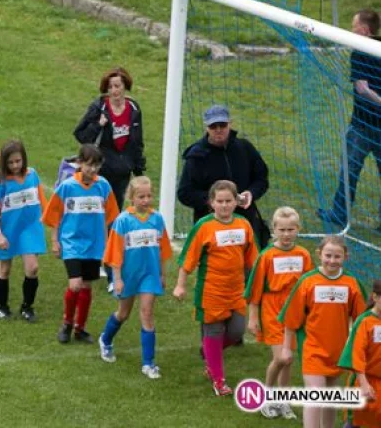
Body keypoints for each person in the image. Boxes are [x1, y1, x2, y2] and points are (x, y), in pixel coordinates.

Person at [173, 180, 259, 397]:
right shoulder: (204, 226)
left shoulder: (244, 225)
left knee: (236, 332)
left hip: (236, 290)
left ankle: (209, 352)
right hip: (211, 291)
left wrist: (260, 282)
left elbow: (253, 259)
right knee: (214, 331)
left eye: (228, 201)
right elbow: (188, 258)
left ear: (236, 202)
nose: (224, 205)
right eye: (219, 201)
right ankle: (219, 381)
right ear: (211, 203)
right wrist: (180, 285)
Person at [279, 236, 367, 428]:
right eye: (328, 255)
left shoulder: (352, 283)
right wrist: (286, 348)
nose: (332, 261)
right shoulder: (307, 282)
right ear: (319, 254)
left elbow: (362, 321)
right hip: (313, 349)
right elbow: (291, 318)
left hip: (338, 350)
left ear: (345, 257)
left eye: (337, 256)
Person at [42, 144, 120, 345]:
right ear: (79, 163)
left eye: (96, 165)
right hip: (72, 243)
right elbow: (54, 214)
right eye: (89, 165)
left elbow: (110, 216)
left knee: (86, 286)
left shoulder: (103, 186)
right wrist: (55, 241)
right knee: (75, 284)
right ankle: (67, 323)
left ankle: (80, 328)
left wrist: (106, 243)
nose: (92, 169)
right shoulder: (68, 187)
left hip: (94, 245)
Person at [99, 176, 173, 379]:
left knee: (147, 313)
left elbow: (162, 250)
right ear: (131, 197)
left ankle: (148, 364)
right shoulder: (123, 221)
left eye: (149, 196)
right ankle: (105, 339)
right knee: (123, 313)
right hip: (128, 275)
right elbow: (115, 253)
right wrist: (117, 279)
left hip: (149, 274)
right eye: (141, 196)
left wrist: (162, 274)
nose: (146, 200)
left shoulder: (157, 219)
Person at [244, 207, 314, 419]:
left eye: (290, 230)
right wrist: (253, 317)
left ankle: (283, 401)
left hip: (294, 312)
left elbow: (309, 286)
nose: (286, 234)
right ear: (274, 229)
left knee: (289, 359)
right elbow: (255, 289)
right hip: (272, 310)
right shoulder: (266, 256)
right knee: (282, 358)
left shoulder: (303, 254)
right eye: (282, 230)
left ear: (298, 229)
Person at [177, 104, 271, 248]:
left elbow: (261, 178)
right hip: (211, 226)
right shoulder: (196, 156)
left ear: (230, 124)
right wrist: (215, 201)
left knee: (252, 261)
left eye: (222, 125)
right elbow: (184, 193)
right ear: (206, 127)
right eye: (213, 126)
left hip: (246, 221)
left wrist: (251, 193)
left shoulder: (245, 148)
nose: (218, 129)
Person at [324, 10, 381, 229]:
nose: (351, 31)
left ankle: (339, 215)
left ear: (364, 30)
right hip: (366, 125)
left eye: (353, 26)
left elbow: (362, 88)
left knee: (349, 171)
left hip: (362, 126)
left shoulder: (360, 53)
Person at [0, 140, 47, 322]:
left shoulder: (32, 175)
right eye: (10, 163)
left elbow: (42, 200)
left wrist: (51, 221)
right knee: (4, 268)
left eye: (18, 161)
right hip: (7, 230)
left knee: (33, 268)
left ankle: (27, 307)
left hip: (30, 228)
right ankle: (2, 306)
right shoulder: (0, 182)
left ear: (24, 159)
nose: (15, 166)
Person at [73, 67, 145, 214]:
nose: (114, 91)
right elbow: (81, 135)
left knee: (114, 213)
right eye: (110, 87)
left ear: (125, 86)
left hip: (122, 172)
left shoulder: (133, 109)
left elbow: (137, 142)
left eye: (117, 86)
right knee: (97, 211)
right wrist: (98, 125)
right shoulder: (99, 108)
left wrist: (138, 171)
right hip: (100, 170)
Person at [339, 279, 381, 428]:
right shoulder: (365, 322)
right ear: (375, 297)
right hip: (364, 380)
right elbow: (357, 354)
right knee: (355, 422)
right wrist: (363, 384)